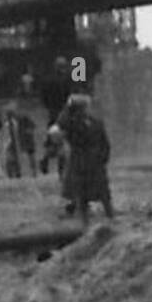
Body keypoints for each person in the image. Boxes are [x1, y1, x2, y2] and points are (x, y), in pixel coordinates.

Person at [56, 94, 115, 222]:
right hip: (80, 161)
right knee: (81, 194)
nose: (84, 110)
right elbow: (62, 123)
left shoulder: (96, 122)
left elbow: (104, 141)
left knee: (104, 193)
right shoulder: (71, 122)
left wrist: (104, 157)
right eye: (81, 107)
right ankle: (85, 221)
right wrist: (68, 107)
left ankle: (110, 216)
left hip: (95, 161)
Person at [3, 108, 23, 179]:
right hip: (12, 142)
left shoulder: (11, 124)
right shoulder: (12, 123)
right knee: (12, 158)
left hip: (12, 142)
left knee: (11, 159)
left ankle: (14, 173)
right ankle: (14, 173)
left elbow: (11, 134)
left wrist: (7, 143)